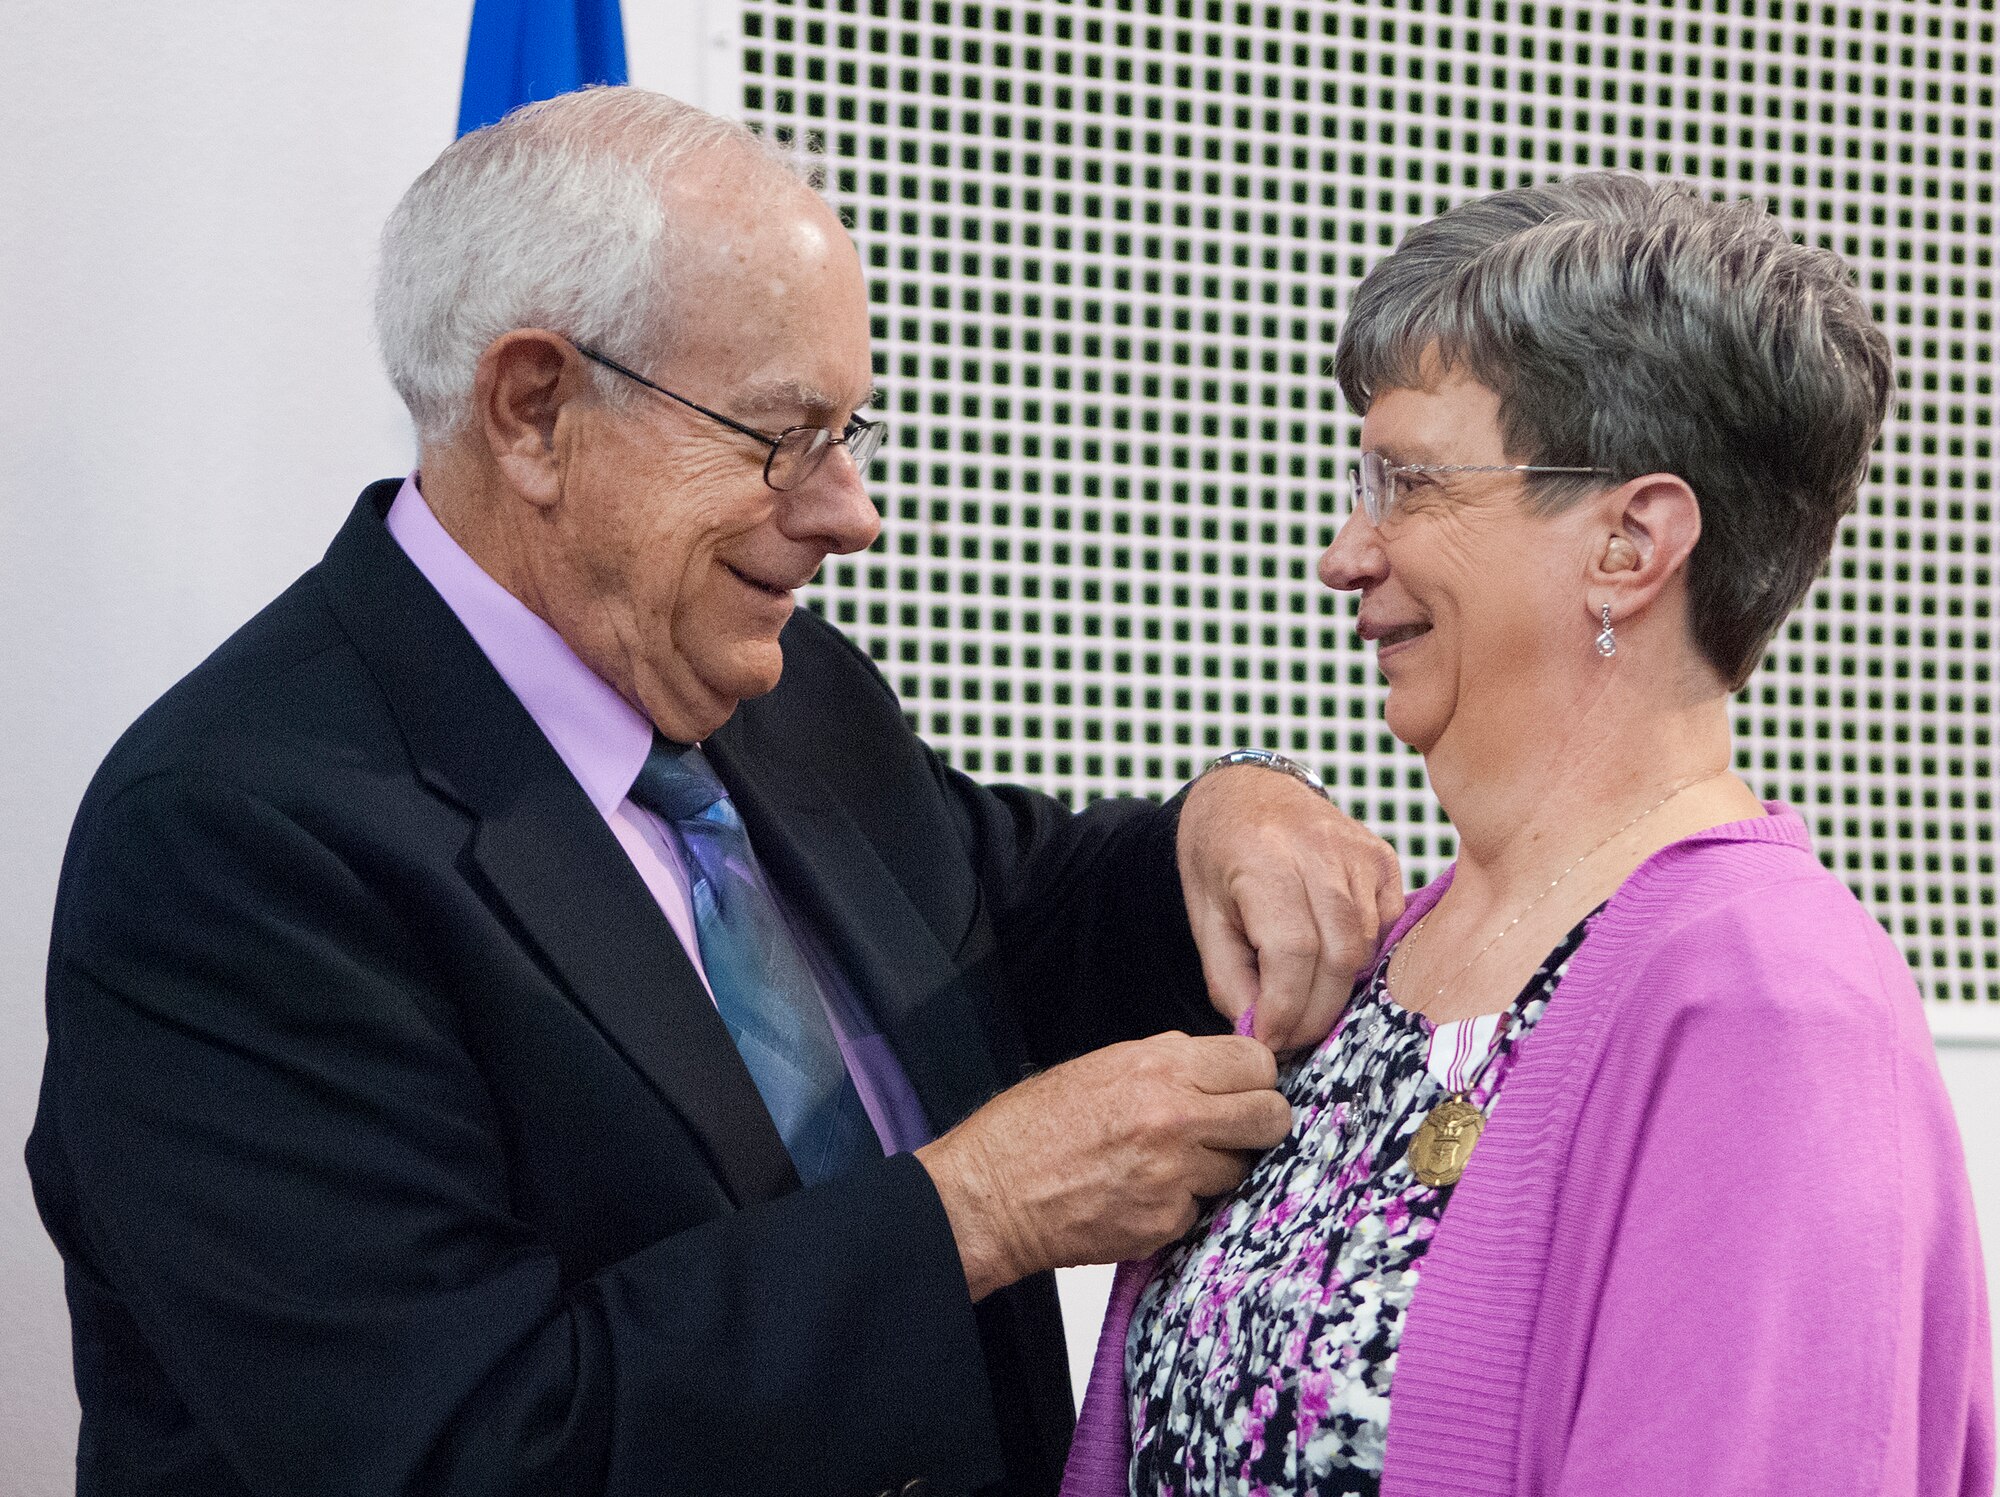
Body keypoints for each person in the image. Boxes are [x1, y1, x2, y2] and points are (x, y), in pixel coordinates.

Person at [25, 89, 1405, 1497]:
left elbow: (1008, 919)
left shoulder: (779, 682)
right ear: (533, 411)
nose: (853, 511)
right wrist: (973, 1213)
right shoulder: (231, 841)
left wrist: (1223, 820)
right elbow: (463, 1447)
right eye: (781, 436)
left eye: (852, 433)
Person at [1061, 173, 1993, 1496]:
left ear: (1630, 543)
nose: (1343, 551)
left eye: (1409, 483)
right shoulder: (1375, 964)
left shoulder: (1773, 1008)